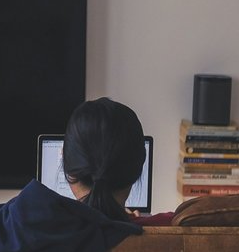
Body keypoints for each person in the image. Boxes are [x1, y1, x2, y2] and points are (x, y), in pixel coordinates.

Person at [62, 97, 174, 226]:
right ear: (140, 163)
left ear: (68, 167)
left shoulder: (39, 230)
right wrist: (131, 220)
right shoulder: (172, 226)